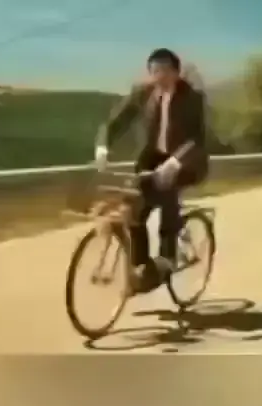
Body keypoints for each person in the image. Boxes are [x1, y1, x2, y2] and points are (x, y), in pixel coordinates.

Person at [94, 48, 208, 292]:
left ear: (177, 73)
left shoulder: (192, 98)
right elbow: (115, 122)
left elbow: (197, 139)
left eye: (166, 71)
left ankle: (167, 259)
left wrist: (175, 161)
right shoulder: (142, 94)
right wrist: (103, 146)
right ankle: (141, 269)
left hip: (186, 161)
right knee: (134, 208)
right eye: (155, 71)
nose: (160, 76)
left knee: (167, 197)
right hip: (152, 159)